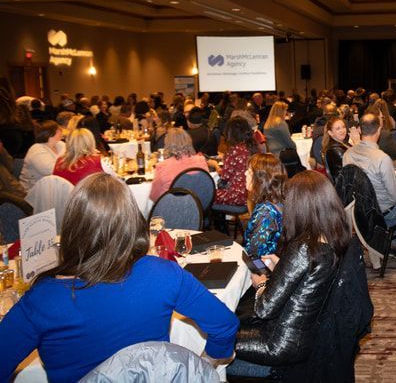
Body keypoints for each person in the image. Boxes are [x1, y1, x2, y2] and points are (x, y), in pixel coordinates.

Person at [0, 173, 239, 382]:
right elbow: (225, 325)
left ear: (73, 227)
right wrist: (206, 364)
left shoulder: (42, 300)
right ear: (133, 220)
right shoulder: (164, 273)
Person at [228, 170, 350, 377]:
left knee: (210, 337)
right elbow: (309, 282)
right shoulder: (333, 239)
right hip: (305, 334)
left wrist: (261, 283)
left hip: (277, 343)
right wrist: (282, 267)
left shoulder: (304, 248)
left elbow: (264, 309)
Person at [343, 113, 396, 260]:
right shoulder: (381, 158)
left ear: (359, 130)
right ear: (378, 130)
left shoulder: (348, 154)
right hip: (384, 211)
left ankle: (394, 241)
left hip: (362, 212)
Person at [148, 128, 210, 202]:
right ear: (189, 141)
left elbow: (154, 197)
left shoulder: (162, 166)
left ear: (167, 145)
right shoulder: (201, 160)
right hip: (199, 207)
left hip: (172, 209)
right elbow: (207, 188)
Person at [243, 153, 287, 257]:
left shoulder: (265, 213)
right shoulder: (278, 200)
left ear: (261, 179)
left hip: (264, 269)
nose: (245, 173)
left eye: (249, 172)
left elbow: (254, 254)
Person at [214, 116, 258, 206]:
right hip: (251, 193)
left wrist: (218, 168)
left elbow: (225, 178)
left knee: (207, 195)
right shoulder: (252, 147)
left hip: (237, 194)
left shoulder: (235, 150)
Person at [20, 120, 65, 191]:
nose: (61, 130)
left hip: (53, 186)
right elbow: (51, 171)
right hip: (35, 190)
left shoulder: (61, 144)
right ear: (52, 133)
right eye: (58, 129)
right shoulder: (37, 149)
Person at [322, 117, 350, 182]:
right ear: (330, 133)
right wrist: (357, 143)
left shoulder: (344, 143)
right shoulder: (335, 150)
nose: (342, 130)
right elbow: (355, 164)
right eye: (338, 129)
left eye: (343, 127)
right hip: (345, 184)